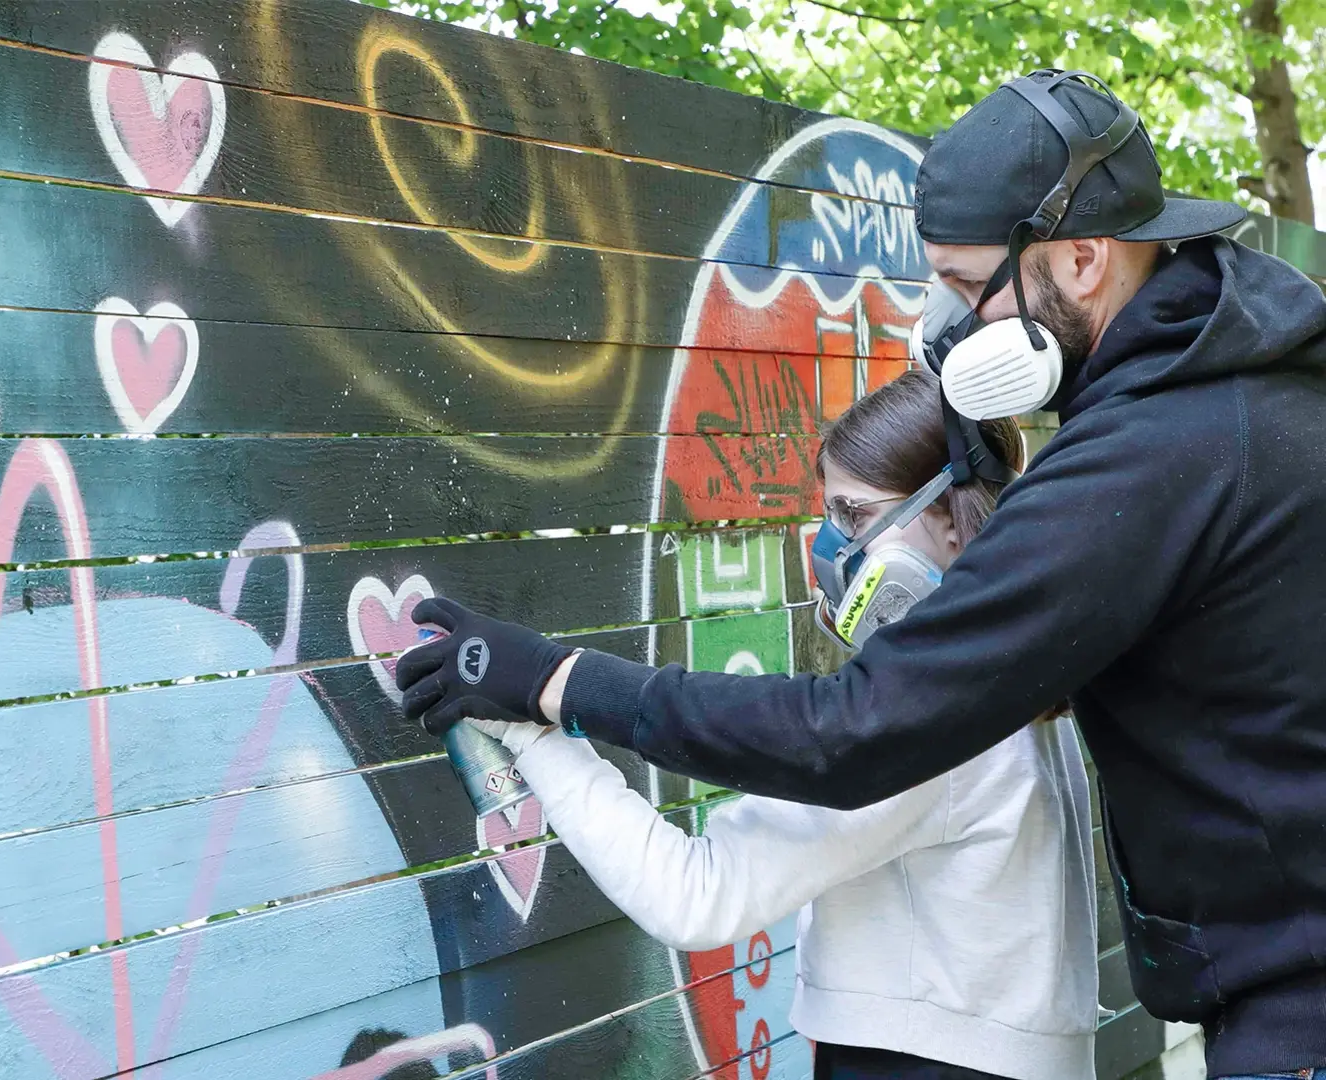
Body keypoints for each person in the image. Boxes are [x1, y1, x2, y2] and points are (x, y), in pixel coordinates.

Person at [396, 70, 1326, 1079]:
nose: (947, 326)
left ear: (1087, 258)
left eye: (970, 287)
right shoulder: (1252, 387)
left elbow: (858, 729)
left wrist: (555, 683)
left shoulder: (1156, 450)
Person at [460, 370, 1097, 1079]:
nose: (828, 551)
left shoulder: (935, 725)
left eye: (854, 517)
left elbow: (696, 893)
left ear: (950, 516)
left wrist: (529, 725)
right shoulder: (1019, 683)